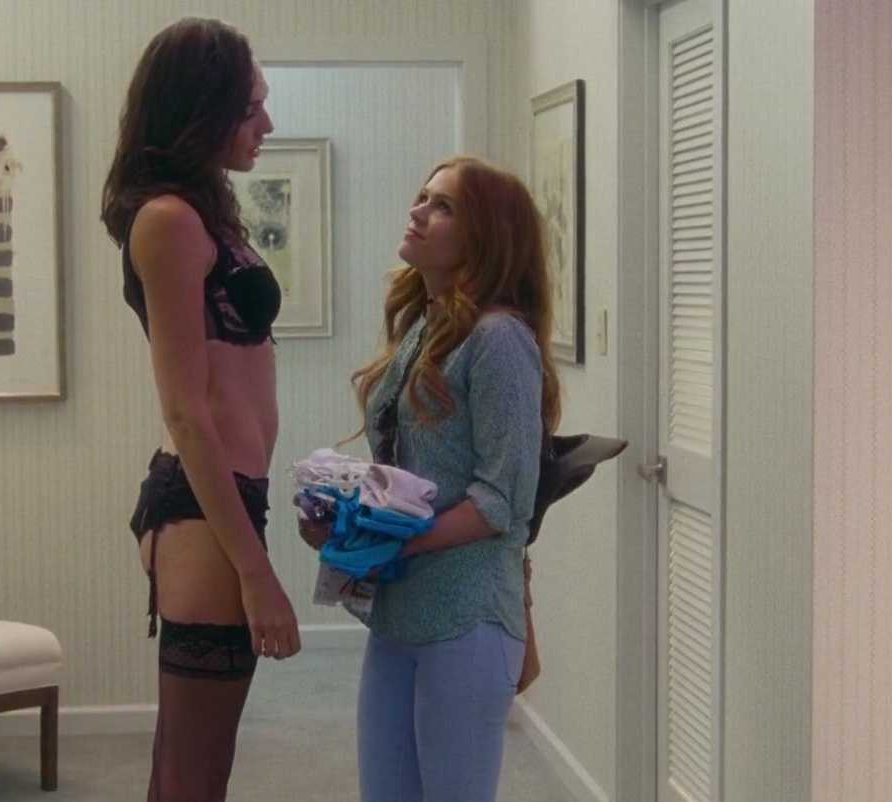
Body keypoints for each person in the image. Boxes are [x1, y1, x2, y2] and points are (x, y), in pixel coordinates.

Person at [100, 17, 299, 801]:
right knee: (194, 774)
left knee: (191, 768)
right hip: (204, 507)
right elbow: (186, 412)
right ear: (201, 109)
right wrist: (258, 573)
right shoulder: (169, 220)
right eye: (251, 107)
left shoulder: (201, 209)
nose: (266, 123)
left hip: (226, 501)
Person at [345, 156, 562, 802]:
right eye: (422, 196)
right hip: (399, 611)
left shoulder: (499, 341)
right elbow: (413, 470)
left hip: (466, 615)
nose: (417, 211)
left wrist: (396, 542)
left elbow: (501, 501)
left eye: (442, 206)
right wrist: (348, 515)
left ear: (484, 236)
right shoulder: (426, 326)